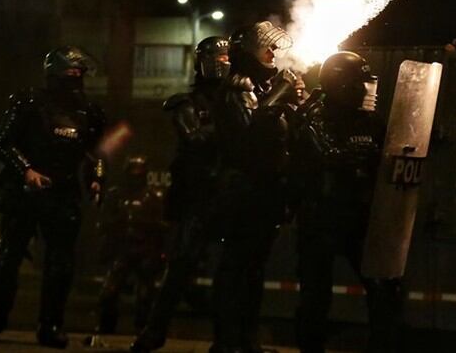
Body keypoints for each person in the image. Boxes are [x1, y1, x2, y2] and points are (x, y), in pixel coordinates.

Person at [0, 46, 106, 349]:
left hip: (62, 192)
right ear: (54, 73)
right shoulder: (28, 101)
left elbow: (95, 152)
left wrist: (97, 178)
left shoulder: (90, 110)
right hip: (25, 192)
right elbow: (1, 142)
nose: (76, 78)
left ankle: (50, 326)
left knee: (61, 264)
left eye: (80, 73)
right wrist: (27, 171)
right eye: (70, 73)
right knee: (9, 257)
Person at [288, 51, 401, 353]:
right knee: (316, 295)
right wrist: (342, 157)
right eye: (357, 83)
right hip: (321, 218)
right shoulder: (312, 117)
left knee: (383, 287)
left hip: (359, 217)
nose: (365, 89)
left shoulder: (371, 122)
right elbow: (318, 153)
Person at [130, 36, 230, 352]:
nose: (223, 63)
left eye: (227, 57)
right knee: (180, 267)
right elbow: (195, 140)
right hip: (196, 197)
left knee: (231, 272)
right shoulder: (187, 103)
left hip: (228, 195)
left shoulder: (240, 98)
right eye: (217, 57)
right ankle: (153, 331)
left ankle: (227, 339)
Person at [209, 21, 302, 353]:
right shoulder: (238, 87)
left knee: (252, 270)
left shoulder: (261, 87)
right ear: (249, 52)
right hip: (245, 192)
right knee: (237, 269)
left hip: (264, 192)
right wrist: (282, 93)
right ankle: (227, 342)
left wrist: (294, 99)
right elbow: (251, 134)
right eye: (268, 46)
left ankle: (244, 340)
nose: (274, 52)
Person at [92, 156, 168, 339]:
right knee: (109, 291)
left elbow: (162, 226)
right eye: (132, 173)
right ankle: (106, 326)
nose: (135, 177)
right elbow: (104, 222)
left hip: (145, 250)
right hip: (122, 249)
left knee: (145, 294)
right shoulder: (116, 195)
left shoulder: (153, 197)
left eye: (139, 173)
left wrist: (159, 251)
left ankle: (143, 328)